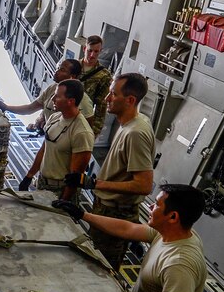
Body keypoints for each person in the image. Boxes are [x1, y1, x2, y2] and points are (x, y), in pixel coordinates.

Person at [53, 185, 207, 292]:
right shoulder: (172, 233)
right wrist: (83, 215)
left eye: (156, 205)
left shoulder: (179, 266)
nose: (150, 207)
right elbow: (128, 229)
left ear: (173, 217)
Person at [64, 73, 155, 269]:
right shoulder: (132, 124)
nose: (107, 99)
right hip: (108, 207)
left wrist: (93, 183)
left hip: (116, 213)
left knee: (99, 267)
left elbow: (144, 185)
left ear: (130, 100)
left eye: (113, 94)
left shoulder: (135, 133)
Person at [18, 79, 94, 199]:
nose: (52, 99)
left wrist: (64, 201)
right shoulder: (54, 117)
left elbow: (75, 176)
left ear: (70, 101)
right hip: (42, 182)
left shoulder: (81, 132)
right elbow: (44, 149)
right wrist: (29, 176)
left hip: (60, 189)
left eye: (57, 96)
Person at [0, 58, 93, 130]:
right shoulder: (52, 89)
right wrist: (6, 107)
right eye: (58, 68)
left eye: (62, 70)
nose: (57, 72)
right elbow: (30, 108)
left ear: (73, 76)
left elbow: (87, 128)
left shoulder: (83, 100)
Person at [80, 35, 113, 138]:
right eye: (89, 51)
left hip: (83, 118)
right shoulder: (72, 67)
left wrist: (95, 131)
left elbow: (101, 105)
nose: (92, 55)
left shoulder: (104, 75)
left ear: (100, 51)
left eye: (96, 51)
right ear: (84, 49)